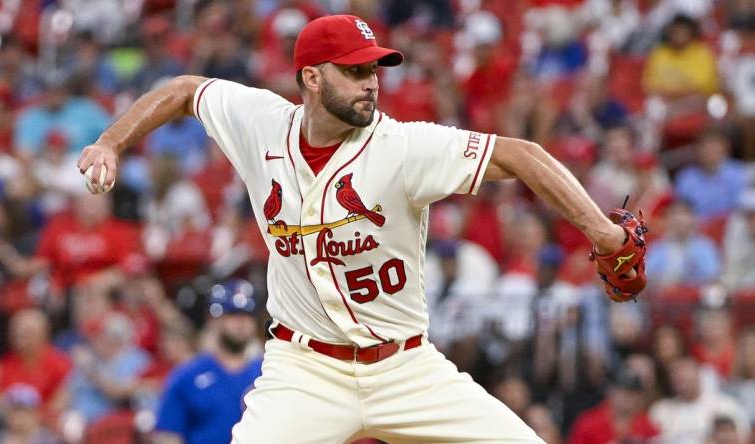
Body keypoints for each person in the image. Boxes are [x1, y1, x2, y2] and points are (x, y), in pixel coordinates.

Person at [78, 14, 645, 443]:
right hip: (305, 369)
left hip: (406, 366)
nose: (371, 81)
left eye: (374, 67)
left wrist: (602, 233)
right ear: (311, 78)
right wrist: (110, 141)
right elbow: (183, 90)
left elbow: (521, 153)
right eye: (353, 71)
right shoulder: (261, 125)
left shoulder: (403, 147)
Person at [154, 279, 263, 444]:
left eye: (248, 315)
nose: (242, 323)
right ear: (214, 319)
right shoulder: (188, 375)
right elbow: (167, 435)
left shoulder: (268, 372)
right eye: (233, 315)